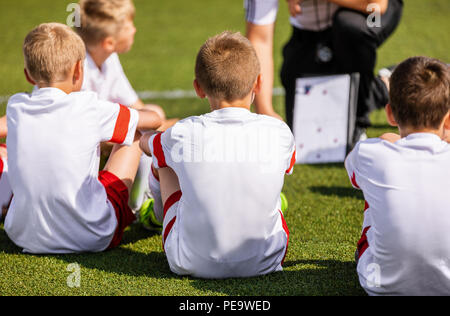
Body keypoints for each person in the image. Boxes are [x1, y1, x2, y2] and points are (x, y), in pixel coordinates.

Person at [139, 32, 295, 278]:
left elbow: (146, 146)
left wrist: (151, 136)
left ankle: (156, 214)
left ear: (198, 88)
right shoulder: (279, 131)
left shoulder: (182, 133)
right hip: (265, 261)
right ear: (259, 83)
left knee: (165, 157)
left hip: (188, 261)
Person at [4, 23, 162, 254]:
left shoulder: (16, 106)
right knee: (134, 135)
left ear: (28, 75)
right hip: (91, 235)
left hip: (23, 236)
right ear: (79, 70)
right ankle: (141, 205)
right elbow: (154, 120)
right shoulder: (88, 106)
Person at [345, 56, 450, 295]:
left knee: (372, 192)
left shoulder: (369, 153)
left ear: (390, 114)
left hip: (381, 286)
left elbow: (354, 176)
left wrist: (387, 139)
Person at [245, 0, 403, 142]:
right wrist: (265, 111)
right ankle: (385, 85)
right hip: (309, 32)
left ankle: (357, 122)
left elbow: (376, 5)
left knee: (350, 28)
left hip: (370, 16)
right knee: (305, 131)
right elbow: (260, 39)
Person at [75, 0, 176, 212]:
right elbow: (86, 132)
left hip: (101, 133)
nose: (134, 29)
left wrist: (161, 124)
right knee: (140, 131)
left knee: (154, 113)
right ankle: (140, 204)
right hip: (82, 146)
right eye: (129, 25)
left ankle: (140, 197)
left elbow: (136, 105)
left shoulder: (109, 58)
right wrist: (169, 130)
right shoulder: (79, 73)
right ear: (109, 42)